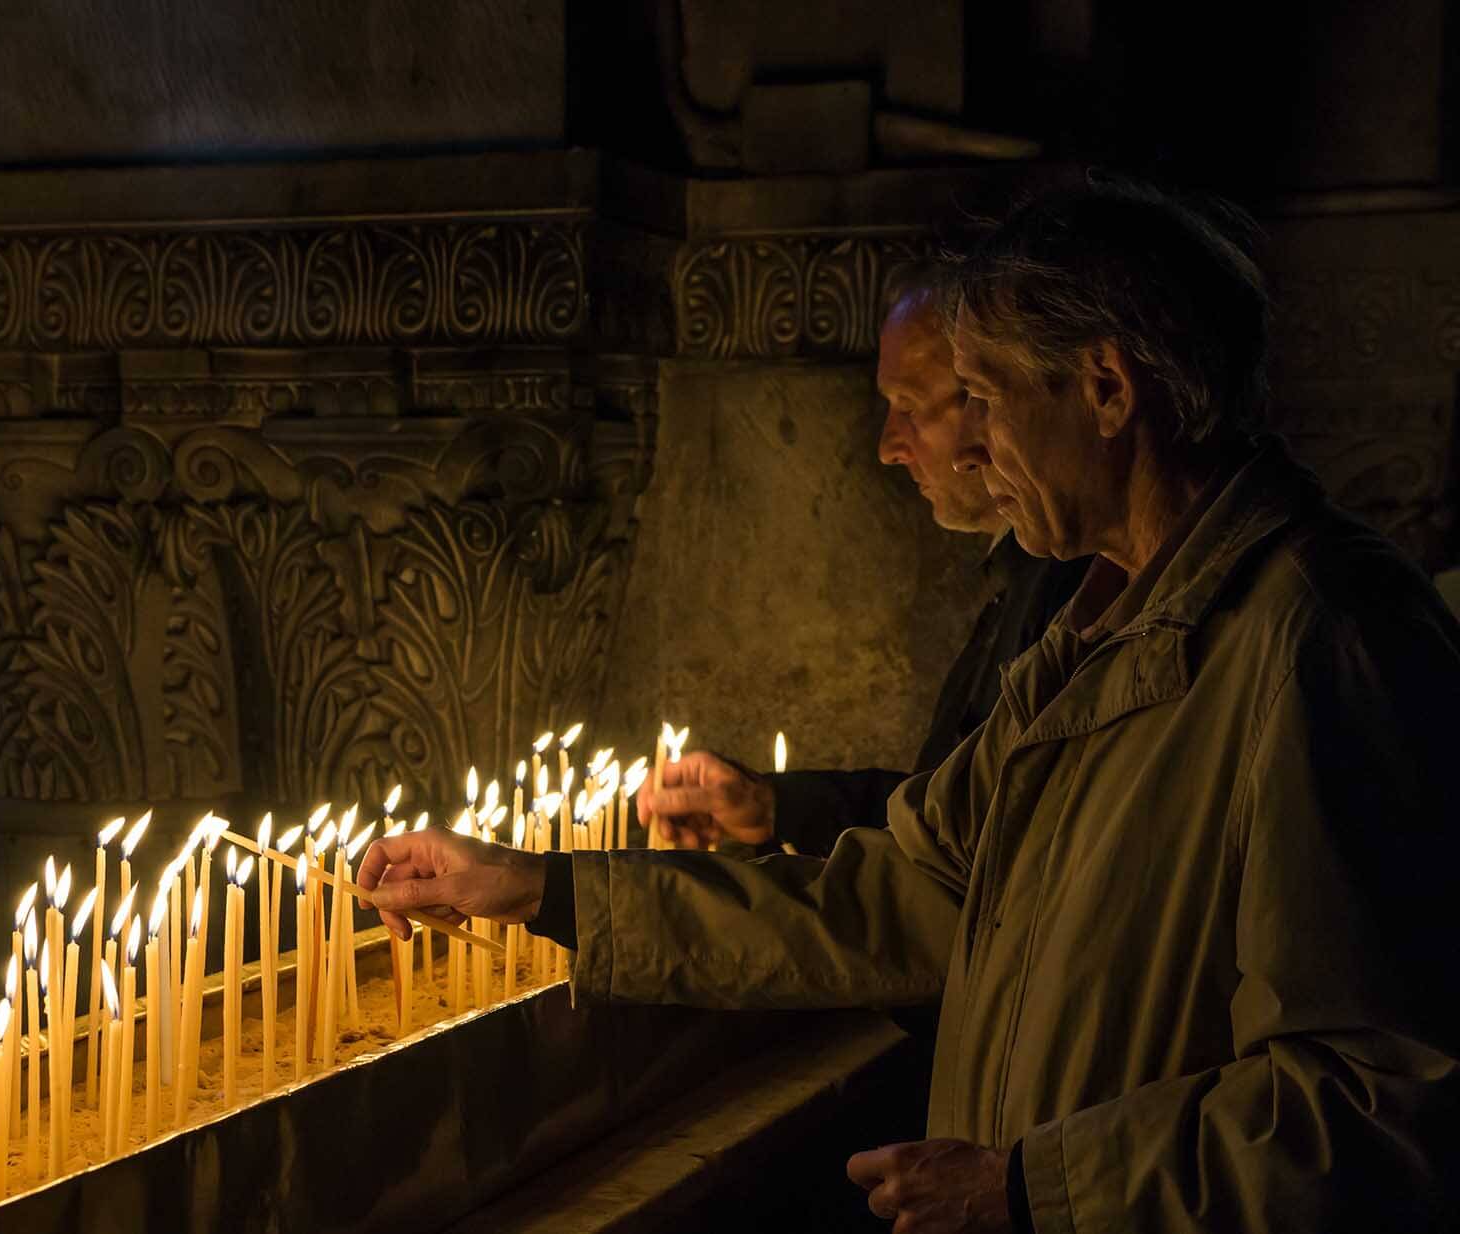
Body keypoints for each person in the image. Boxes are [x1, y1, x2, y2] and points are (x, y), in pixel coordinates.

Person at [357, 178, 1460, 1232]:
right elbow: (886, 894)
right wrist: (539, 888)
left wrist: (1033, 1191)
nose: (966, 444)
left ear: (1108, 390)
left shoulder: (1321, 642)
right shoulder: (1087, 644)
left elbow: (1377, 1101)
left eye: (981, 398)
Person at [649, 266, 1086, 857]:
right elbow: (943, 811)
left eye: (910, 406)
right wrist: (773, 807)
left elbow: (979, 849)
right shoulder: (1021, 581)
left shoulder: (1078, 590)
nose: (887, 448)